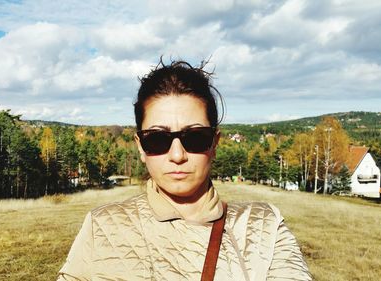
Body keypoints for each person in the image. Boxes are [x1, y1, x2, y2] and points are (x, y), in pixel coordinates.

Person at [57, 59, 312, 280]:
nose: (177, 155)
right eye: (157, 139)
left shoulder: (264, 226)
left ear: (214, 143)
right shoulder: (102, 226)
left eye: (195, 137)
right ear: (141, 147)